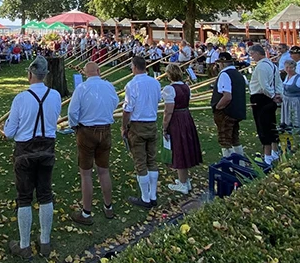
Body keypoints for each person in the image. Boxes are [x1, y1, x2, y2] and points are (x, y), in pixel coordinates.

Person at [2, 57, 62, 260]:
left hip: (25, 151)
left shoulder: (21, 98)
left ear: (29, 74)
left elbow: (10, 132)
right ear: (45, 75)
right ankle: (45, 242)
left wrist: (6, 129)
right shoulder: (55, 96)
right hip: (47, 149)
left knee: (24, 197)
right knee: (45, 193)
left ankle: (25, 245)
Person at [67, 62, 119, 225]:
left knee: (86, 173)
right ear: (99, 71)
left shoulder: (81, 89)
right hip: (105, 130)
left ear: (85, 73)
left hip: (87, 131)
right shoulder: (109, 86)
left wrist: (75, 126)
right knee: (104, 170)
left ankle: (86, 212)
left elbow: (72, 112)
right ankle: (108, 206)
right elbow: (116, 103)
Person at [122, 55, 162, 209]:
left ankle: (146, 198)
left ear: (134, 67)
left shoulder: (132, 85)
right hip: (151, 123)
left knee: (140, 162)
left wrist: (124, 127)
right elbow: (158, 100)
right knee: (151, 159)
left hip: (138, 125)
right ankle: (153, 195)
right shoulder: (155, 83)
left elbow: (127, 109)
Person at [161, 63, 202, 194]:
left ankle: (183, 183)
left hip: (177, 119)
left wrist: (164, 126)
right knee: (184, 147)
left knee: (179, 148)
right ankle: (184, 179)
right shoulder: (186, 86)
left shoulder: (169, 89)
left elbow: (168, 111)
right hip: (186, 117)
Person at [247, 44, 282, 165]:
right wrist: (278, 94)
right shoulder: (272, 65)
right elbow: (278, 82)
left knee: (263, 125)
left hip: (261, 98)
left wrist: (273, 95)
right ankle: (274, 151)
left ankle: (268, 155)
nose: (252, 57)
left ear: (258, 53)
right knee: (271, 123)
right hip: (269, 97)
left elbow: (264, 85)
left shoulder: (261, 67)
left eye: (252, 54)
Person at [211, 52, 247, 159]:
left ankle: (229, 164)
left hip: (226, 112)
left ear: (222, 63)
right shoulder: (239, 75)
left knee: (224, 139)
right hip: (237, 111)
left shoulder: (225, 74)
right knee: (235, 138)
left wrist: (218, 107)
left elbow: (227, 96)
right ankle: (240, 162)